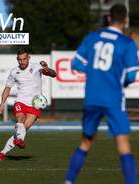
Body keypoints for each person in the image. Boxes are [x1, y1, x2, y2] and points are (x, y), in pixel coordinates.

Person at [65, 4, 139, 184]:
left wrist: (92, 71)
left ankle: (68, 182)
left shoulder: (92, 37)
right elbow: (130, 75)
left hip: (92, 97)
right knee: (123, 145)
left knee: (85, 142)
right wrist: (117, 79)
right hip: (113, 99)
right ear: (126, 20)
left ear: (108, 18)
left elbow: (75, 64)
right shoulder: (127, 43)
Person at [0, 48, 56, 161]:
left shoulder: (37, 67)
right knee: (20, 119)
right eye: (19, 59)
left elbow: (54, 74)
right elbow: (7, 88)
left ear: (28, 58)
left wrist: (47, 68)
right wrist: (2, 103)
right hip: (21, 101)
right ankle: (20, 140)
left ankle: (2, 152)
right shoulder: (14, 72)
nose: (21, 62)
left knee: (22, 129)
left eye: (24, 59)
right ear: (17, 59)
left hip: (35, 104)